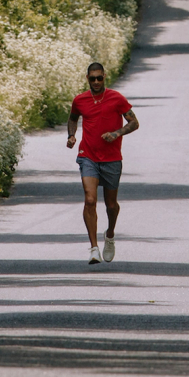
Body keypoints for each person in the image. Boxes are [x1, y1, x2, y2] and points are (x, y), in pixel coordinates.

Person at [68, 62, 138, 264]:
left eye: (100, 78)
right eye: (93, 78)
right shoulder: (80, 100)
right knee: (90, 200)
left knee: (110, 205)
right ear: (87, 78)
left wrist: (117, 133)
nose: (96, 82)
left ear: (105, 77)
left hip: (112, 158)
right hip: (87, 155)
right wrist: (71, 135)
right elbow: (73, 118)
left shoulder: (117, 98)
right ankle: (93, 248)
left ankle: (110, 234)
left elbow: (134, 122)